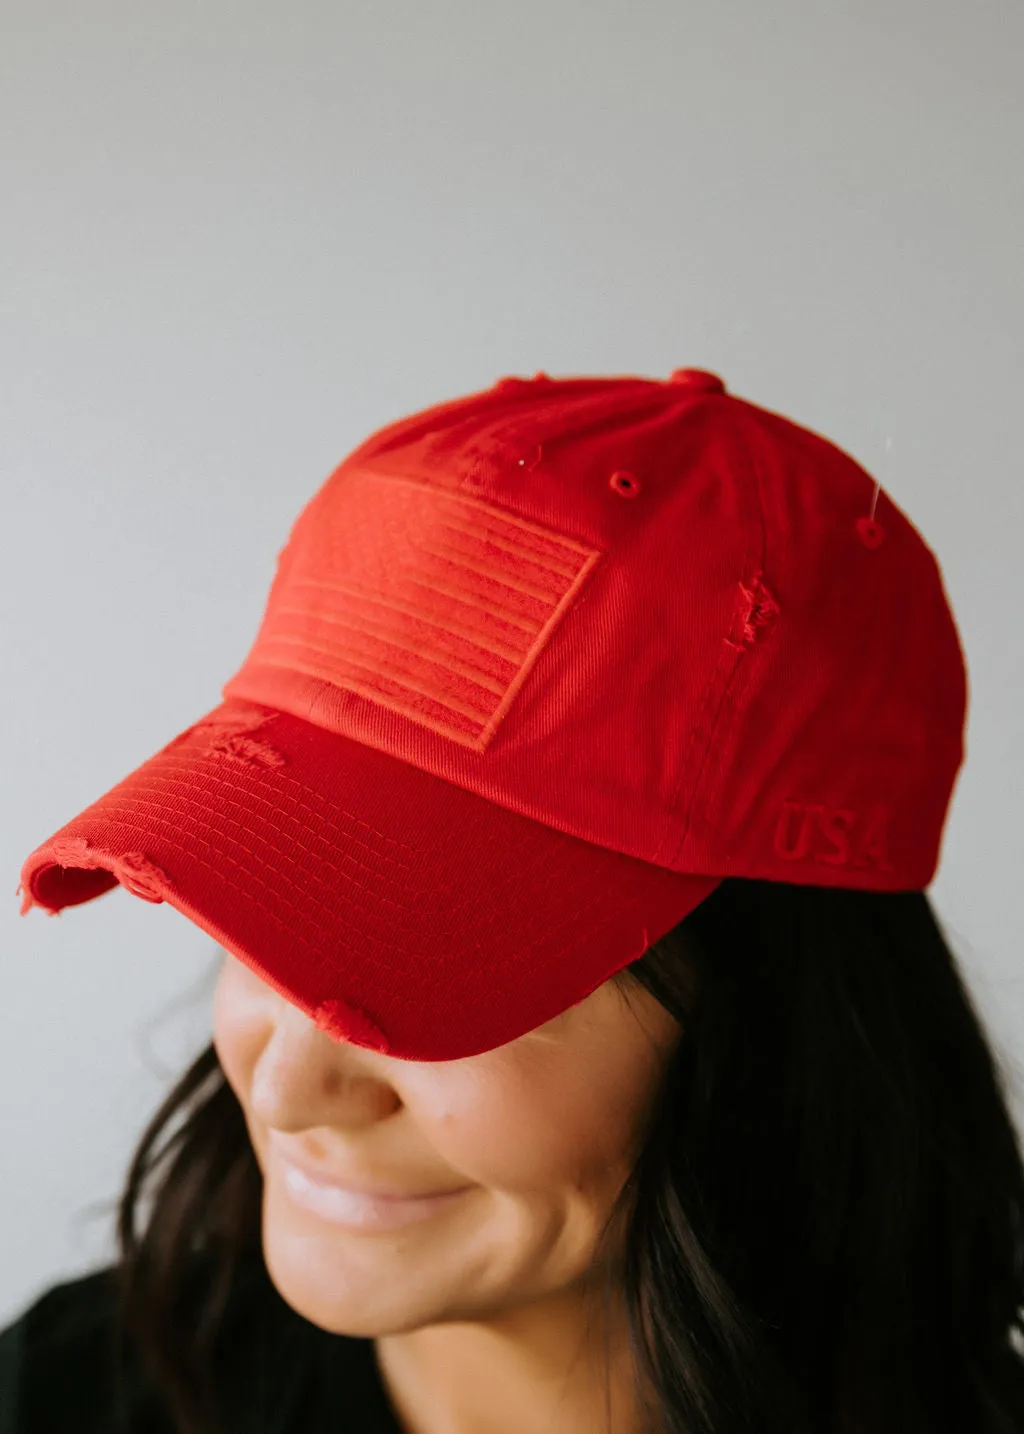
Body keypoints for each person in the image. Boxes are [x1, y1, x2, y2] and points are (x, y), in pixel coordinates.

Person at [2, 368, 1022, 1434]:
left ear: (784, 1035)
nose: (289, 1089)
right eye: (269, 907)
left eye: (444, 962)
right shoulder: (66, 1397)